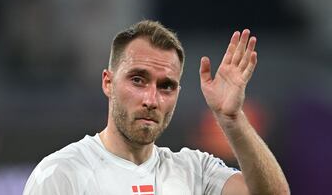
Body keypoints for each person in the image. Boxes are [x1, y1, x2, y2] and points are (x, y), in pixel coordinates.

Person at [23, 20, 290, 195]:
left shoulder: (195, 171)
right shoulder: (61, 175)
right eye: (138, 80)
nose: (152, 99)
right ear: (108, 82)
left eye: (166, 86)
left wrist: (232, 118)